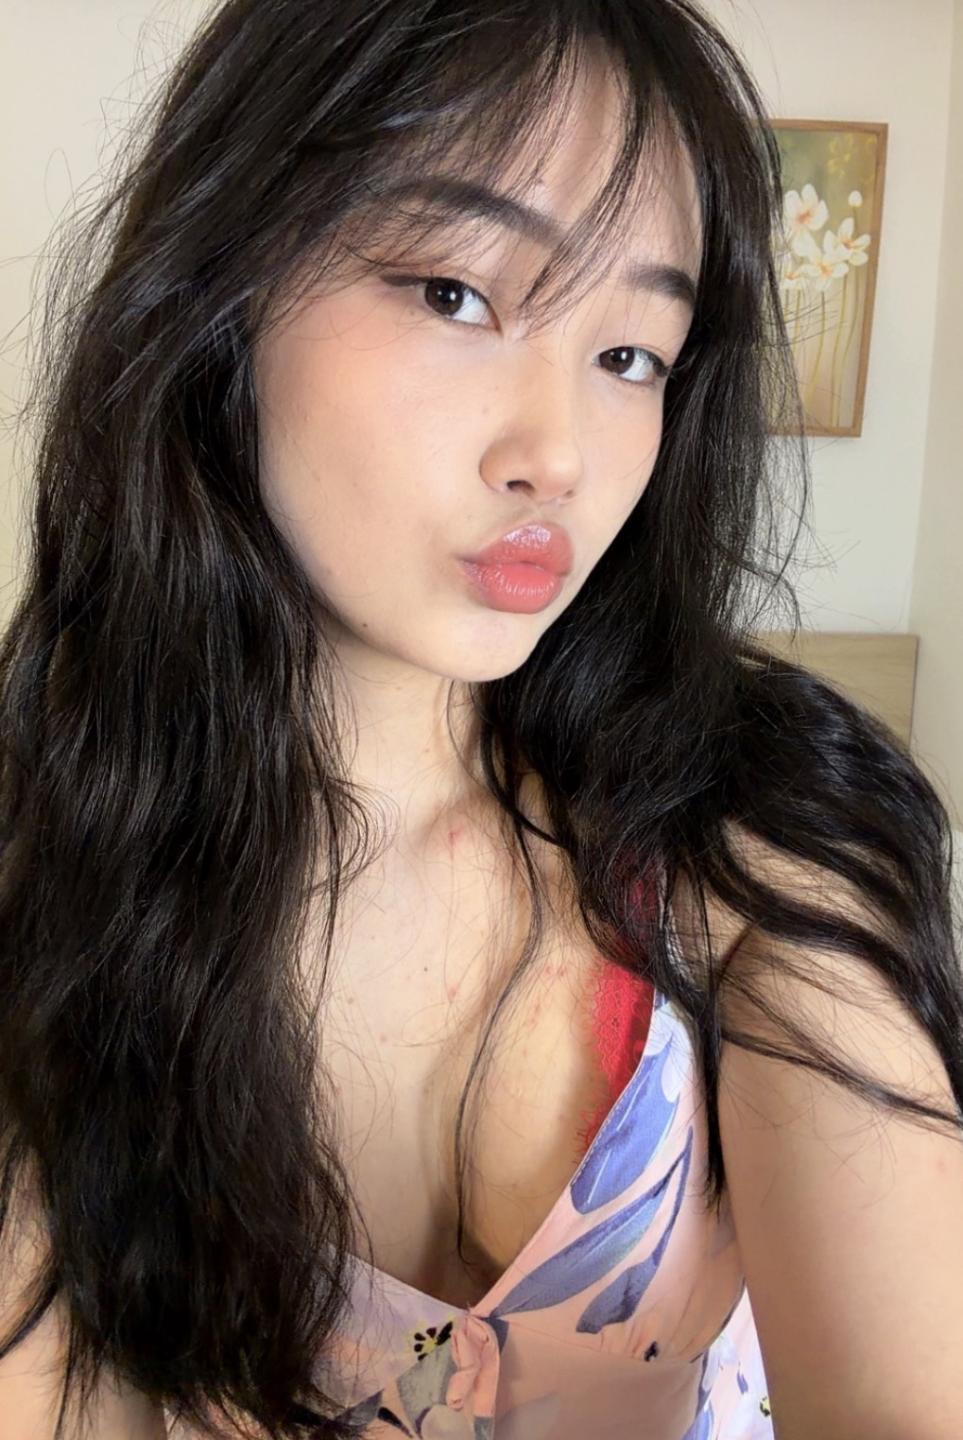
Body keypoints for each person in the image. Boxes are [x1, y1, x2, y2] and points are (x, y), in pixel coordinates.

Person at [1, 0, 961, 1436]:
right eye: (457, 293)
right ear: (224, 284)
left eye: (632, 355)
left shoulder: (752, 845)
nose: (558, 454)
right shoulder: (59, 891)